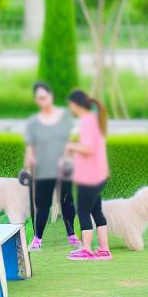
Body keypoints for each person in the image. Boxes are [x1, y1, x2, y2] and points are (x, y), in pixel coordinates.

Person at [24, 82, 77, 251]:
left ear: (51, 96)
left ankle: (72, 234)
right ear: (36, 100)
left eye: (45, 97)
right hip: (43, 169)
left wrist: (70, 160)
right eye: (39, 98)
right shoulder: (33, 123)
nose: (43, 101)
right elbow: (30, 148)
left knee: (68, 201)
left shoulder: (64, 116)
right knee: (43, 204)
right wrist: (27, 166)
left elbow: (70, 140)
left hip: (64, 167)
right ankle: (37, 238)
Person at [65, 88, 111, 261]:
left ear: (75, 104)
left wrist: (70, 146)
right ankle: (104, 249)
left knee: (83, 211)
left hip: (90, 177)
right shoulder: (94, 119)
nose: (70, 108)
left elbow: (88, 149)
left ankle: (86, 249)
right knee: (96, 211)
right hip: (99, 175)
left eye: (70, 105)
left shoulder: (87, 121)